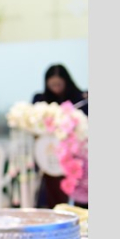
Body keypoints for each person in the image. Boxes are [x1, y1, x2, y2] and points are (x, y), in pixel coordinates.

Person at [31, 64, 88, 209]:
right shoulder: (41, 101)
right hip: (50, 154)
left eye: (59, 84)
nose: (56, 88)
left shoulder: (81, 99)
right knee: (52, 194)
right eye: (52, 85)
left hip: (75, 154)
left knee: (78, 193)